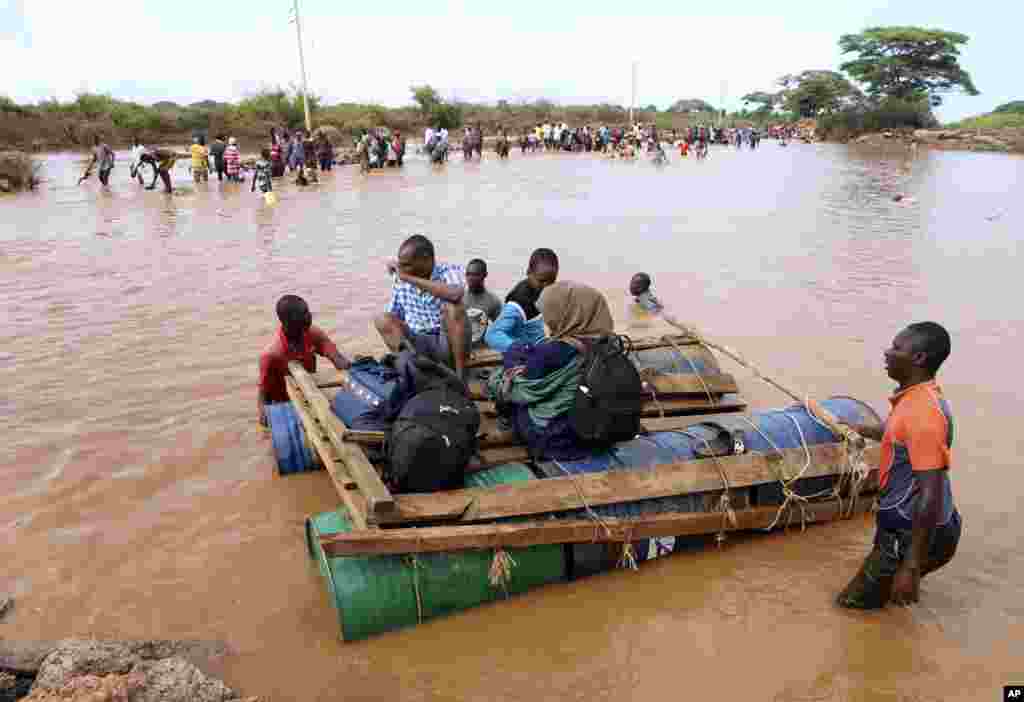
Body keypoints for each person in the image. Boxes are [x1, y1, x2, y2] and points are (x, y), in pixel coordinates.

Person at [835, 322, 961, 610]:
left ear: (918, 359)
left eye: (896, 348)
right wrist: (859, 429)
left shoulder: (924, 413)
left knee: (851, 608)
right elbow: (898, 434)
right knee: (884, 602)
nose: (887, 353)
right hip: (909, 526)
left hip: (908, 534)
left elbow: (930, 492)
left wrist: (911, 565)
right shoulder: (915, 396)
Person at [486, 281, 614, 460]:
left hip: (559, 438)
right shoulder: (609, 344)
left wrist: (510, 365)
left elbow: (521, 390)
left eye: (551, 313)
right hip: (600, 428)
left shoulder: (555, 351)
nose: (548, 319)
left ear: (566, 314)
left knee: (503, 384)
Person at [375, 235, 471, 379]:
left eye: (407, 265)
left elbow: (455, 294)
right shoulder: (400, 278)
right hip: (418, 345)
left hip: (447, 344)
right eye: (401, 264)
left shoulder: (449, 272)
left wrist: (409, 278)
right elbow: (394, 317)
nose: (402, 269)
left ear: (427, 259)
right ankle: (414, 375)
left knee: (454, 308)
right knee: (383, 319)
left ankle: (461, 380)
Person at [258, 295, 351, 427]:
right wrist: (266, 416)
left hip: (311, 394)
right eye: (303, 314)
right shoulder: (272, 355)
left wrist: (346, 365)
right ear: (288, 321)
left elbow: (335, 356)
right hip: (286, 404)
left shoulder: (313, 333)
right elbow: (263, 395)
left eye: (308, 312)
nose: (309, 317)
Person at [484, 248, 559, 353]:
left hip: (545, 350)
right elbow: (492, 335)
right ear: (528, 272)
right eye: (541, 281)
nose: (546, 286)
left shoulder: (547, 292)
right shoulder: (518, 303)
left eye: (551, 281)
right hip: (528, 359)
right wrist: (522, 348)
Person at [463, 259, 503, 345]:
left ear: (485, 275)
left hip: (481, 350)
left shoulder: (493, 301)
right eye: (468, 274)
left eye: (475, 275)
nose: (470, 278)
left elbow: (501, 329)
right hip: (461, 349)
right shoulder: (459, 298)